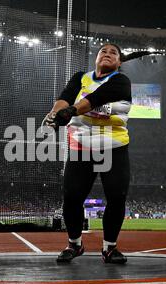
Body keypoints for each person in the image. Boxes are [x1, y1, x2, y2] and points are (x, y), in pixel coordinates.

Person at [42, 44, 154, 264]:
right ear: (96, 58)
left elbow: (96, 98)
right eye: (103, 51)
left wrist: (71, 111)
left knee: (117, 196)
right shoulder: (80, 78)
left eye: (113, 53)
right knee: (72, 197)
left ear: (120, 62)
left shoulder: (121, 82)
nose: (108, 54)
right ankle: (74, 244)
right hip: (81, 147)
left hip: (114, 147)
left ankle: (110, 248)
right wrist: (56, 113)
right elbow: (65, 97)